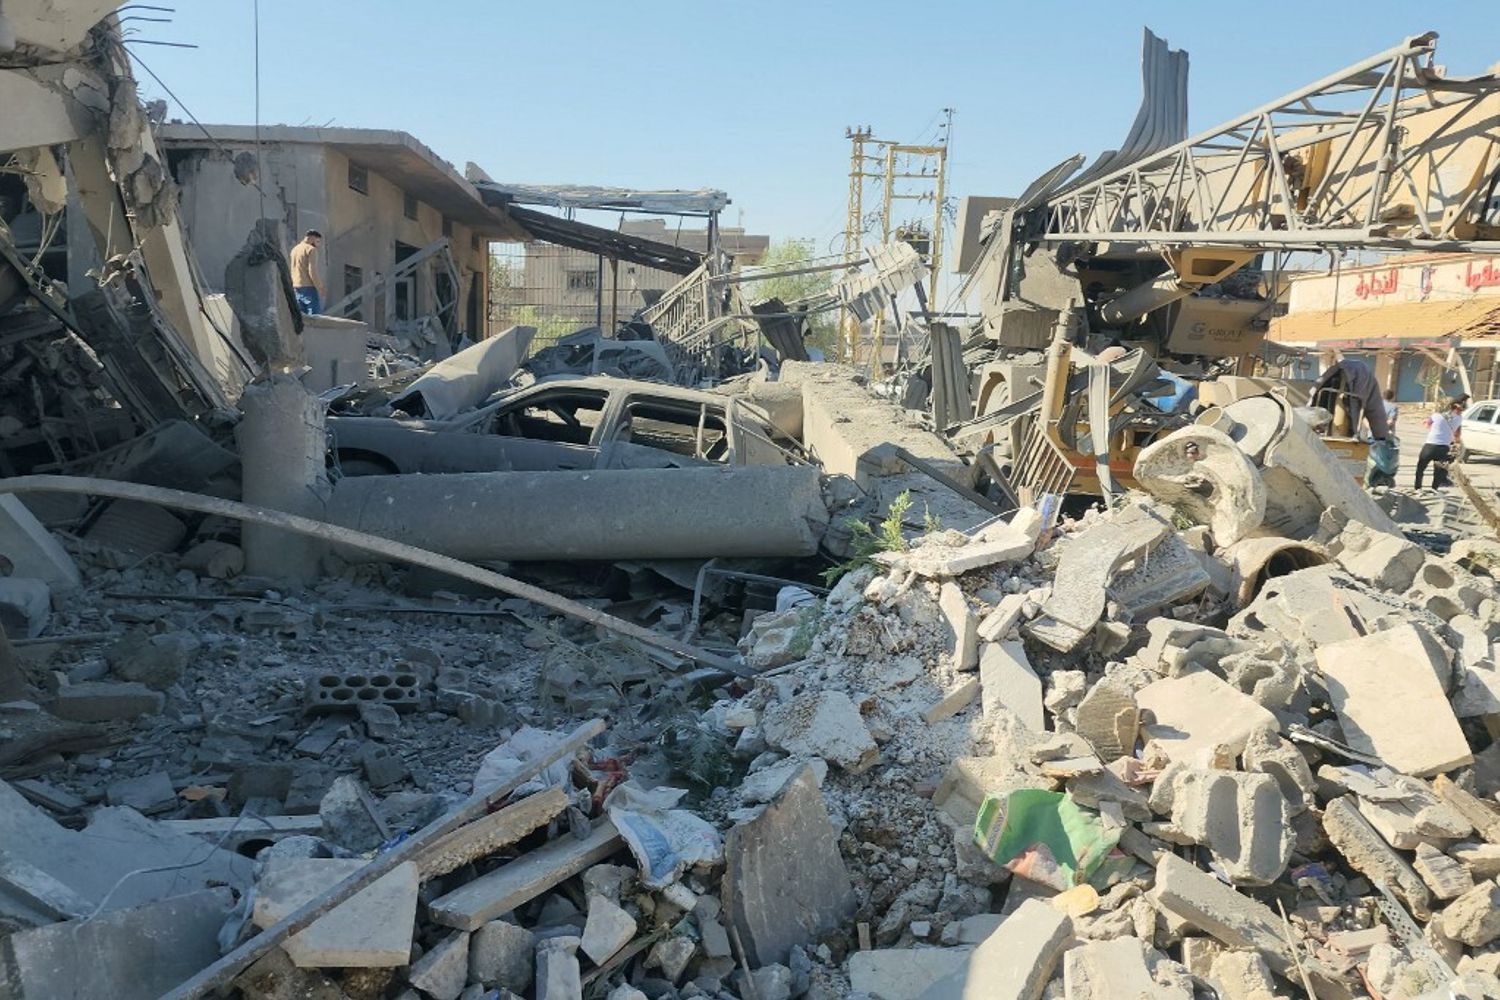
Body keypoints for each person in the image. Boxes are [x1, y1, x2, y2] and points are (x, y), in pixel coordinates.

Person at [1415, 396, 1466, 489]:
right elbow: (1457, 435)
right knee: (1439, 472)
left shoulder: (1436, 415)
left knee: (1420, 468)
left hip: (1430, 445)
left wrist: (1432, 426)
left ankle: (1418, 488)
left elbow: (1426, 425)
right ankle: (1434, 489)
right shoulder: (1459, 419)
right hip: (1444, 448)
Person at [289, 230, 324, 315]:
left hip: (296, 286)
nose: (318, 244)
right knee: (314, 316)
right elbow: (312, 271)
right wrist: (320, 287)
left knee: (301, 316)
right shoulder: (311, 249)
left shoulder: (295, 249)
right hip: (308, 286)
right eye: (317, 241)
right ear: (312, 238)